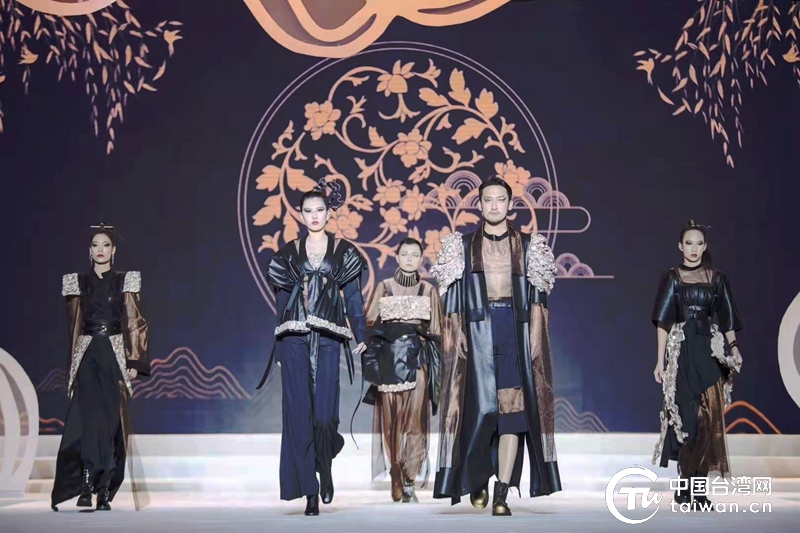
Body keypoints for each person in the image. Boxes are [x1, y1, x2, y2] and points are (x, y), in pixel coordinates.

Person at [430, 176, 562, 516]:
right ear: (479, 204)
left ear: (509, 203)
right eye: (487, 199)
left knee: (512, 413)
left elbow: (538, 297)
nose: (493, 205)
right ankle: (478, 478)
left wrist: (534, 336)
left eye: (500, 199)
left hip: (514, 330)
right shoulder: (463, 245)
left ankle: (501, 492)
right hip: (476, 330)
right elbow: (452, 295)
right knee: (481, 411)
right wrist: (456, 330)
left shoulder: (528, 245)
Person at [256, 181, 368, 516]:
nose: (315, 216)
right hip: (294, 337)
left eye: (320, 210)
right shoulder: (288, 253)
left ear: (329, 213)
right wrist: (278, 347)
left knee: (325, 416)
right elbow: (280, 304)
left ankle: (325, 463)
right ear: (300, 214)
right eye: (308, 211)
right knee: (299, 413)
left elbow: (353, 298)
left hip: (330, 337)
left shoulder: (344, 251)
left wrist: (360, 334)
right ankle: (310, 490)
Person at [52, 223, 150, 512]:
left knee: (110, 424)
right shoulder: (79, 283)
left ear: (114, 250)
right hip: (88, 355)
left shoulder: (123, 281)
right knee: (86, 421)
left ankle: (104, 490)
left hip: (113, 355)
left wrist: (134, 361)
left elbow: (135, 322)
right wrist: (73, 364)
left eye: (105, 245)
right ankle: (85, 486)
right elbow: (73, 326)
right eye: (95, 245)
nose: (100, 250)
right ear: (89, 250)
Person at [651, 220, 743, 509]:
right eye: (688, 243)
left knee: (707, 424)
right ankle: (683, 486)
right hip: (681, 354)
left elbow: (727, 318)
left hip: (708, 353)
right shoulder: (672, 278)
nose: (694, 248)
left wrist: (734, 347)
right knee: (686, 424)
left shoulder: (717, 278)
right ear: (680, 246)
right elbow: (663, 322)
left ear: (705, 246)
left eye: (699, 243)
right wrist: (660, 361)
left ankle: (699, 493)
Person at [361, 237, 443, 503]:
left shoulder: (428, 291)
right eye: (404, 254)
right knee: (392, 422)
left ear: (421, 259)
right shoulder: (384, 288)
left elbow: (437, 331)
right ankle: (396, 473)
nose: (409, 259)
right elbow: (371, 325)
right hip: (389, 363)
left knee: (415, 421)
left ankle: (409, 479)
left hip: (418, 362)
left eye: (414, 255)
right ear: (396, 257)